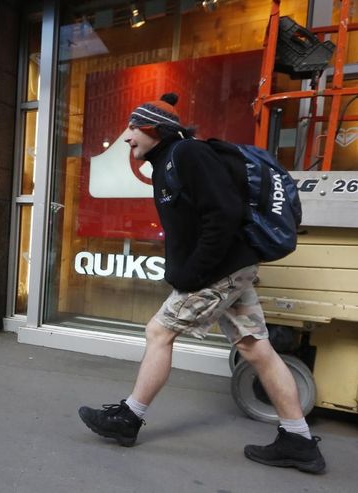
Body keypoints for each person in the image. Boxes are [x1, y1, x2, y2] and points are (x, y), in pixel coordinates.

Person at [77, 93, 326, 474]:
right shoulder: (168, 162)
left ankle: (128, 419)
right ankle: (299, 441)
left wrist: (193, 274)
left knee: (159, 331)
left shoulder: (187, 155)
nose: (126, 137)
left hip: (219, 271)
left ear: (153, 129)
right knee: (256, 347)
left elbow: (223, 215)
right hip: (230, 269)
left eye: (132, 127)